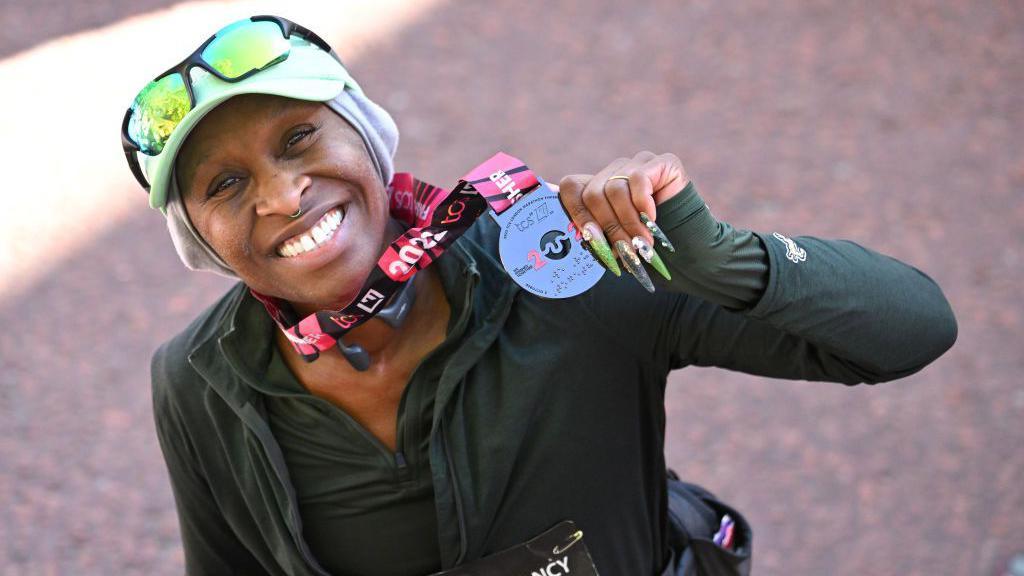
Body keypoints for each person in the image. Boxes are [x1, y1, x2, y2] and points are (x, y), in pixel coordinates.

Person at [124, 15, 958, 576]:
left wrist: (720, 258)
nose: (278, 196)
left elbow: (914, 330)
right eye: (226, 184)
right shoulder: (199, 383)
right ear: (200, 238)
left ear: (368, 134)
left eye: (299, 136)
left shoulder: (560, 263)